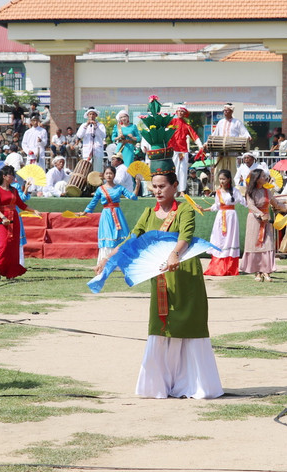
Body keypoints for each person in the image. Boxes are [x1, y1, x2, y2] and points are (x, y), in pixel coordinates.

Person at [95, 102, 223, 399]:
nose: (157, 191)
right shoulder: (149, 213)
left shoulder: (185, 210)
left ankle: (194, 385)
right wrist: (109, 257)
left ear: (175, 185)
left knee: (187, 327)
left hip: (184, 275)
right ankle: (158, 386)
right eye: (153, 186)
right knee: (160, 327)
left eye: (162, 186)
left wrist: (175, 254)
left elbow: (187, 237)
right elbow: (134, 237)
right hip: (161, 277)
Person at [79, 165, 138, 264]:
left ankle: (121, 262)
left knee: (120, 235)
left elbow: (132, 197)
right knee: (108, 235)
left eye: (111, 173)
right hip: (106, 215)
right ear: (104, 175)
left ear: (114, 175)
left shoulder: (120, 188)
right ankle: (105, 262)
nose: (109, 175)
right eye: (107, 173)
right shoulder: (100, 189)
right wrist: (84, 212)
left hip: (117, 214)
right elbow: (93, 202)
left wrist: (138, 184)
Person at [240, 169, 287, 282]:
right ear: (256, 178)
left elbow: (276, 204)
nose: (265, 177)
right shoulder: (250, 192)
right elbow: (251, 206)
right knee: (255, 244)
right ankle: (257, 271)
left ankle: (266, 271)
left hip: (266, 221)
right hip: (254, 220)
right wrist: (261, 214)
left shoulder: (268, 192)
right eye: (262, 176)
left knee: (267, 244)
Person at [0, 165, 31, 280]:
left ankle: (11, 273)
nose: (13, 177)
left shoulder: (14, 190)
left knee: (13, 246)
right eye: (11, 174)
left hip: (14, 220)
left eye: (13, 174)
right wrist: (3, 217)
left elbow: (21, 204)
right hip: (2, 221)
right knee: (4, 246)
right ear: (4, 176)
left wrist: (34, 211)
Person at [204, 169, 245, 276]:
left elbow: (243, 201)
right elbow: (216, 206)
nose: (221, 181)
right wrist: (204, 209)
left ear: (229, 179)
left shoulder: (235, 191)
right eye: (220, 179)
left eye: (224, 179)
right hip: (220, 217)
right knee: (219, 239)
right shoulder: (218, 192)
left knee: (230, 239)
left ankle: (230, 267)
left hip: (231, 217)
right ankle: (218, 267)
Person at [167, 106, 203, 193]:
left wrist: (200, 146)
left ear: (184, 114)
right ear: (176, 112)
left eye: (182, 111)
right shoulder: (171, 122)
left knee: (183, 170)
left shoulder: (187, 126)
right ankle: (173, 189)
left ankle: (182, 190)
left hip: (183, 151)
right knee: (174, 170)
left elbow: (194, 135)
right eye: (179, 111)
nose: (180, 113)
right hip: (174, 150)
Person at [77, 108, 107, 172]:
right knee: (86, 169)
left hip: (97, 150)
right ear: (87, 115)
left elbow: (103, 135)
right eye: (90, 114)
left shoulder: (100, 125)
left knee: (97, 170)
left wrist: (96, 126)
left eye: (93, 114)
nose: (91, 116)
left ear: (96, 116)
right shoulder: (83, 125)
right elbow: (79, 135)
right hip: (87, 151)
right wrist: (86, 126)